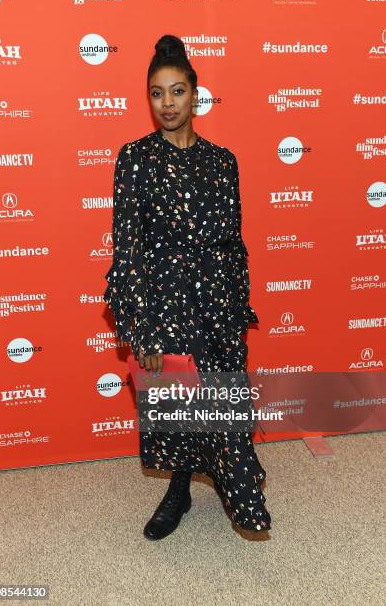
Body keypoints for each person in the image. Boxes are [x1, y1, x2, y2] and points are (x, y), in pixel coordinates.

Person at [103, 34, 271, 540]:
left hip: (218, 302)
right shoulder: (134, 158)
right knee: (179, 409)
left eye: (178, 91)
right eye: (157, 93)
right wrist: (143, 330)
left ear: (196, 95)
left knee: (223, 401)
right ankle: (180, 489)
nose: (168, 103)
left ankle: (237, 488)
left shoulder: (224, 161)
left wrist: (239, 306)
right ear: (148, 98)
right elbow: (127, 249)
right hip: (166, 302)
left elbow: (235, 241)